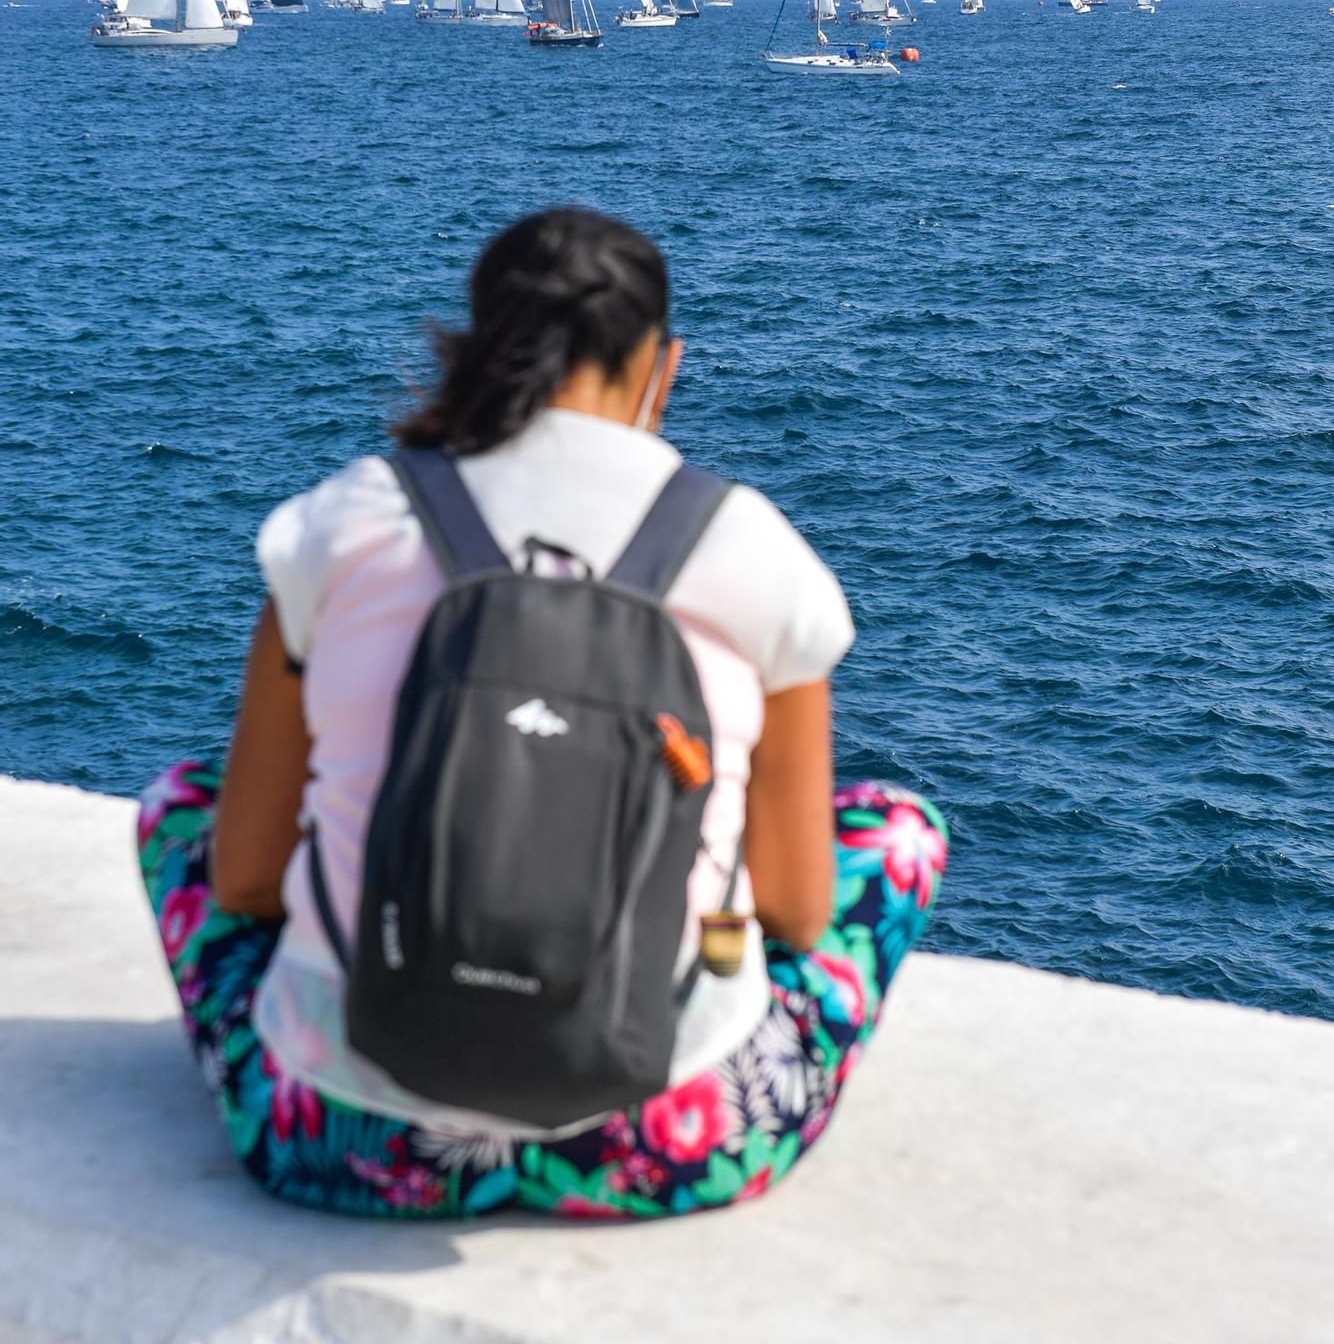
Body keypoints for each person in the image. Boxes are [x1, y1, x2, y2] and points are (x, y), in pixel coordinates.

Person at [138, 207, 948, 1219]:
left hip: (337, 1137)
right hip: (667, 1138)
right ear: (664, 365)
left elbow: (248, 874)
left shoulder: (341, 521)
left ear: (479, 345)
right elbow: (792, 908)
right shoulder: (748, 545)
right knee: (894, 828)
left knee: (181, 803)